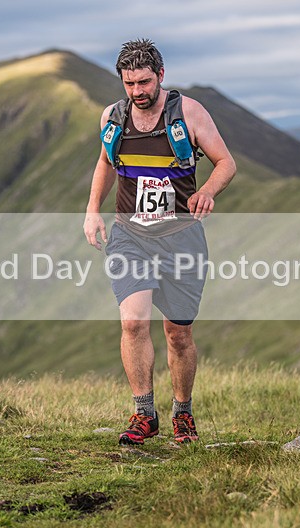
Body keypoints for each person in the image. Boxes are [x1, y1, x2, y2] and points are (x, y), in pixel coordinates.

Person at [83, 39, 236, 445]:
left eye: (145, 82)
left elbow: (226, 162)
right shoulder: (113, 118)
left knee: (177, 333)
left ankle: (182, 414)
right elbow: (104, 163)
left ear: (161, 76)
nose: (138, 91)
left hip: (181, 238)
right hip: (130, 236)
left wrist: (207, 192)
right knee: (133, 322)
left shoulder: (187, 113)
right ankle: (143, 414)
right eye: (129, 83)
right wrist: (91, 210)